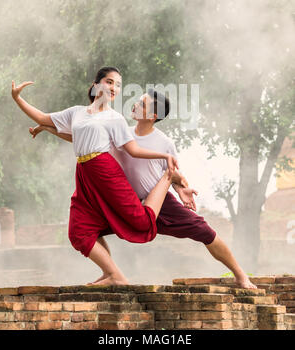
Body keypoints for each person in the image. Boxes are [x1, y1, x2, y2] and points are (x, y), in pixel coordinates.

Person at [31, 87, 257, 289]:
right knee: (87, 229)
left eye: (141, 104)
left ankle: (240, 274)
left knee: (205, 232)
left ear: (152, 115)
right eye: (137, 101)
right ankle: (109, 273)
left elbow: (172, 173)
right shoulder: (121, 131)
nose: (135, 105)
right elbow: (81, 137)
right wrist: (48, 128)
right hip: (125, 203)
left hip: (159, 203)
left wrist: (181, 189)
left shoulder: (164, 143)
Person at [11, 66, 183, 286]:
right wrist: (19, 99)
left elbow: (133, 150)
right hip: (84, 173)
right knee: (79, 230)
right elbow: (46, 119)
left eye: (118, 85)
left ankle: (115, 276)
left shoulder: (115, 118)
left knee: (140, 221)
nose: (114, 87)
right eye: (109, 82)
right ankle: (112, 273)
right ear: (96, 85)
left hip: (105, 171)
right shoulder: (77, 113)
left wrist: (164, 155)